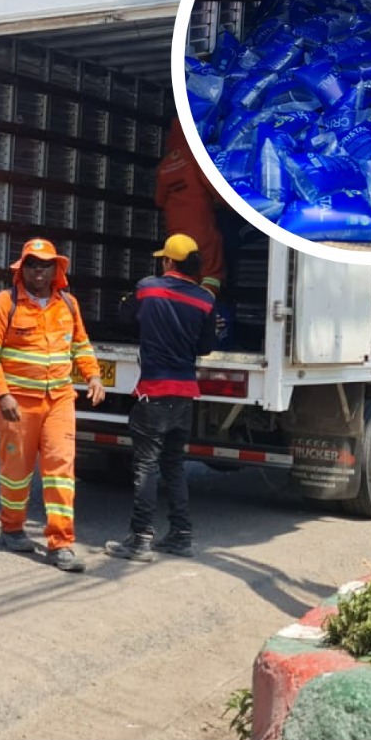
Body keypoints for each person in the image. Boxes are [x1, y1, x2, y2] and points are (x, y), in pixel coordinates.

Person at [0, 238, 106, 572]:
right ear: (22, 269)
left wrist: (93, 376)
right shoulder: (3, 303)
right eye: (32, 264)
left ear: (56, 269)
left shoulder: (68, 304)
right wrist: (2, 394)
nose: (38, 270)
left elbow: (80, 344)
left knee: (60, 470)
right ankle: (11, 527)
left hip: (60, 399)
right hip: (17, 403)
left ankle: (61, 544)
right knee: (16, 472)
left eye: (45, 264)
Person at [104, 233, 218, 563]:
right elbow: (205, 347)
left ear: (169, 262)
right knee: (174, 466)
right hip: (184, 396)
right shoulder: (205, 300)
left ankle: (140, 540)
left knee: (145, 468)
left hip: (154, 393)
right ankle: (181, 535)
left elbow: (125, 321)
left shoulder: (148, 288)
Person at [156, 118, 226, 297]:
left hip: (176, 233)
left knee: (182, 274)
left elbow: (159, 200)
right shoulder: (197, 158)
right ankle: (206, 307)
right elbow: (217, 190)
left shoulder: (164, 166)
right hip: (201, 227)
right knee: (211, 273)